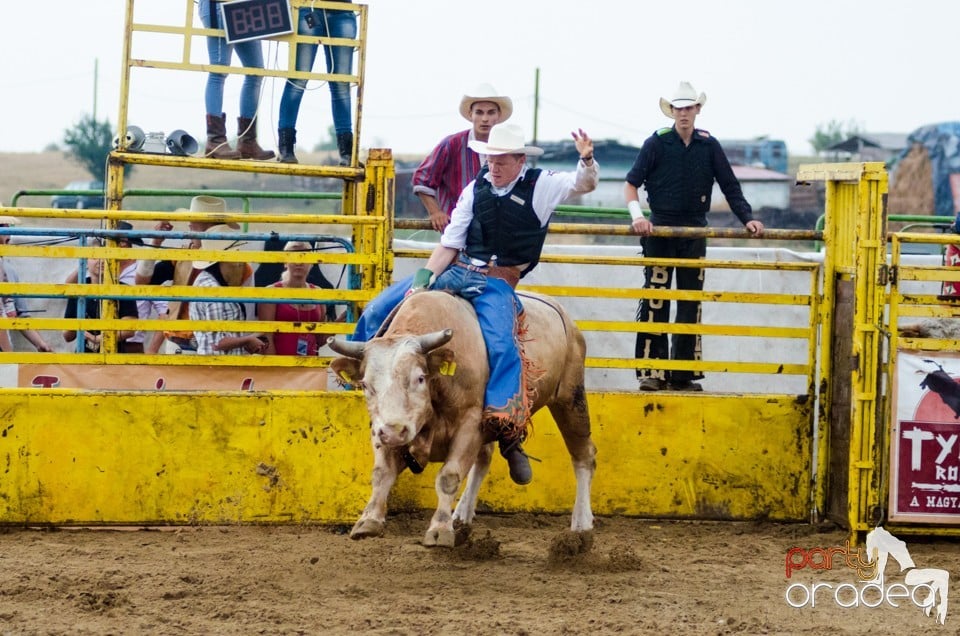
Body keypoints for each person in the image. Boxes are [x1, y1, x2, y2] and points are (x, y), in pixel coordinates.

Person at [352, 123, 598, 485]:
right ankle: (361, 371)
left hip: (498, 282)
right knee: (381, 307)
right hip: (458, 269)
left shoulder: (540, 185)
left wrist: (587, 159)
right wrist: (424, 278)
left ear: (519, 160)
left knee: (501, 341)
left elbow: (582, 184)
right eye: (489, 158)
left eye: (500, 159)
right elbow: (451, 241)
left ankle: (505, 420)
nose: (493, 165)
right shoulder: (476, 188)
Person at [624, 81, 764, 392]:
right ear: (671, 112)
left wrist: (747, 217)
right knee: (656, 297)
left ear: (697, 110)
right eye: (679, 108)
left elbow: (730, 185)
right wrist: (638, 217)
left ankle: (682, 374)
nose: (684, 113)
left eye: (688, 108)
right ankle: (652, 372)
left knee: (690, 302)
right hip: (660, 229)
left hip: (695, 231)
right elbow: (631, 183)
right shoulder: (656, 143)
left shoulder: (709, 145)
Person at [134, 196, 252, 354]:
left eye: (192, 227)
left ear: (208, 228)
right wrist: (155, 244)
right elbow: (143, 282)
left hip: (218, 346)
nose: (189, 232)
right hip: (186, 343)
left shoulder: (241, 266)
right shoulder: (184, 257)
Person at [412, 84, 513, 232]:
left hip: (496, 229)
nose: (485, 119)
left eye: (491, 113)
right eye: (479, 112)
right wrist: (435, 212)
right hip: (457, 227)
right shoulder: (451, 144)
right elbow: (422, 178)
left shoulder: (507, 147)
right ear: (470, 114)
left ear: (498, 116)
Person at [277, 1, 357, 165]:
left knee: (341, 84)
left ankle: (347, 153)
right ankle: (286, 149)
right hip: (310, 8)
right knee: (298, 79)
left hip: (342, 11)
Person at [198, 0, 274, 160]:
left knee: (255, 71)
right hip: (218, 5)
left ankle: (248, 141)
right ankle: (215, 140)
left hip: (245, 6)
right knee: (219, 70)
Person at [189, 228, 266, 356]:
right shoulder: (213, 291)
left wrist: (245, 342)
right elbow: (217, 343)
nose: (239, 264)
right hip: (218, 368)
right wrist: (248, 340)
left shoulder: (211, 283)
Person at [257, 241, 328, 355]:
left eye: (304, 256)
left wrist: (341, 320)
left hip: (310, 367)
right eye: (294, 255)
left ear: (312, 262)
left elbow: (320, 339)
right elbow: (267, 336)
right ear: (285, 261)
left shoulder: (318, 292)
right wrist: (276, 368)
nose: (299, 262)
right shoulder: (272, 292)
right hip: (281, 367)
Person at [63, 258, 139, 353]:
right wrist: (79, 328)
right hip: (83, 358)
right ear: (86, 261)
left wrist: (98, 339)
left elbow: (129, 330)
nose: (101, 261)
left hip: (114, 358)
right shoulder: (79, 289)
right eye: (95, 257)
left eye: (106, 257)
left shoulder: (123, 290)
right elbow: (67, 336)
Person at [0, 216, 52, 352]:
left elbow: (20, 313)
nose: (7, 231)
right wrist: (8, 358)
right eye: (3, 227)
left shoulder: (9, 270)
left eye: (6, 226)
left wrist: (40, 344)